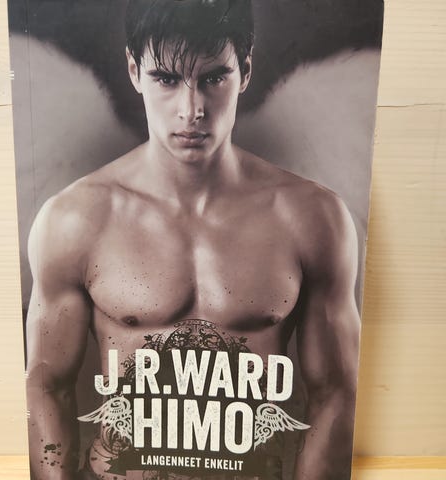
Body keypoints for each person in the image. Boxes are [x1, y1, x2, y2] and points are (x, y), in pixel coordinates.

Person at [25, 1, 360, 479]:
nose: (191, 110)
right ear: (133, 71)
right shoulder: (74, 220)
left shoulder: (312, 217)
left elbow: (335, 392)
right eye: (165, 79)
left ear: (245, 72)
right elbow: (46, 386)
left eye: (213, 77)